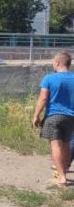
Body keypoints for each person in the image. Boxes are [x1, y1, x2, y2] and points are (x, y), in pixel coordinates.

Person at [32, 52, 74, 185]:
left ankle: (61, 177)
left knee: (56, 145)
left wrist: (36, 115)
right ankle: (64, 173)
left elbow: (43, 98)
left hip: (53, 116)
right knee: (66, 145)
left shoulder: (49, 78)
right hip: (71, 117)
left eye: (53, 62)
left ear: (57, 63)